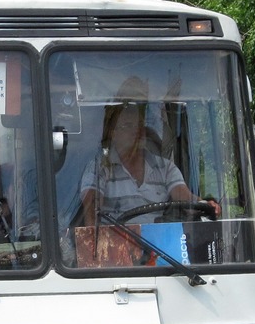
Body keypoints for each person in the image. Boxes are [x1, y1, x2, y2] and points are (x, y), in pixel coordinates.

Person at [80, 81, 218, 226]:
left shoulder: (165, 168)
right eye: (128, 126)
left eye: (140, 125)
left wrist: (204, 205)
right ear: (114, 133)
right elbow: (91, 208)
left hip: (158, 246)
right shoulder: (100, 166)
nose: (137, 131)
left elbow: (185, 198)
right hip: (114, 246)